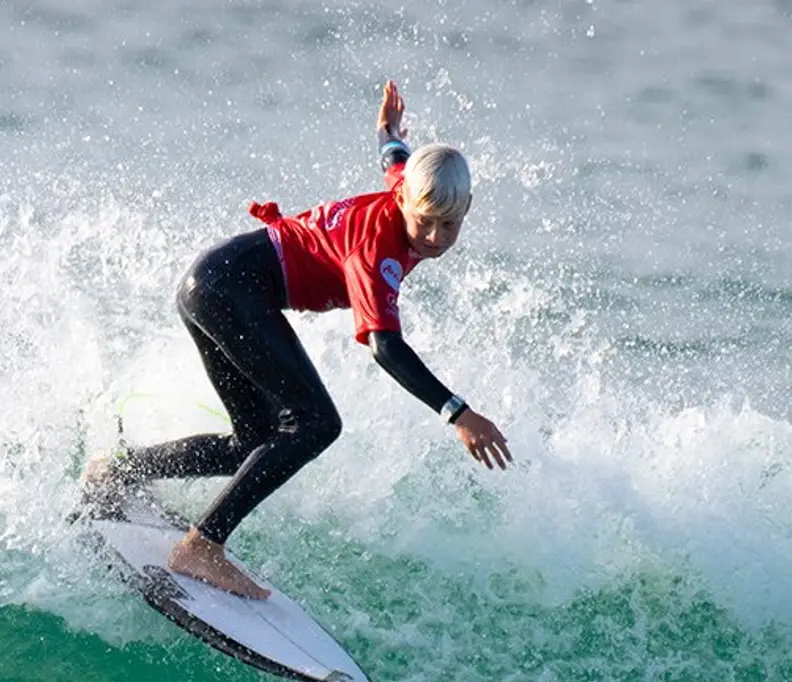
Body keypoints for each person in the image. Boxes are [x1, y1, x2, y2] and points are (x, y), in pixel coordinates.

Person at [81, 80, 512, 600]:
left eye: (449, 225)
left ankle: (120, 470)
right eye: (426, 223)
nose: (434, 238)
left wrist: (388, 132)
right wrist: (458, 412)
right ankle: (202, 547)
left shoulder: (408, 187)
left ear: (466, 209)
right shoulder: (379, 252)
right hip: (228, 290)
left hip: (216, 282)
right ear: (406, 204)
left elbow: (395, 160)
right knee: (315, 424)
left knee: (253, 439)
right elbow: (385, 347)